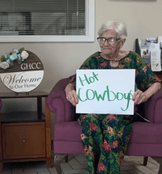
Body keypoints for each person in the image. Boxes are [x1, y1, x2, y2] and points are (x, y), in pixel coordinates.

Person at [65, 20, 161, 174]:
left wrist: (144, 94)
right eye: (102, 39)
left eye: (109, 39)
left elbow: (155, 83)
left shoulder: (133, 60)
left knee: (112, 120)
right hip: (93, 111)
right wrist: (69, 91)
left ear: (121, 42)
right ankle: (94, 171)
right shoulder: (94, 60)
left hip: (119, 112)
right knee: (89, 120)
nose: (104, 43)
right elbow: (72, 83)